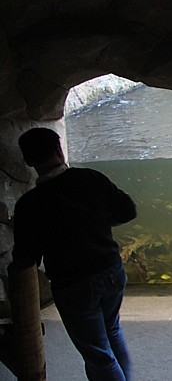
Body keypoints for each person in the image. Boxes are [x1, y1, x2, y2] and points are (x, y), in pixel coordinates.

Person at [12, 127, 135, 380]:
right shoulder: (90, 178)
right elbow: (127, 210)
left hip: (73, 285)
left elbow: (26, 258)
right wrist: (97, 223)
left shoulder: (29, 205)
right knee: (112, 331)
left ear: (28, 161)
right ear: (59, 150)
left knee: (98, 354)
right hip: (111, 271)